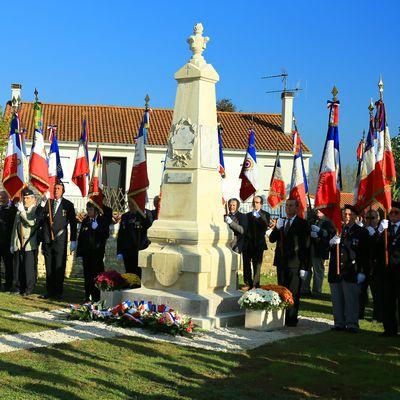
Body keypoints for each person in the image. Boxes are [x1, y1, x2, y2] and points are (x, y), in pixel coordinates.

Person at [269, 199, 310, 326]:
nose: (287, 208)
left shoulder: (302, 223)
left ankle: (291, 319)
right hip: (281, 262)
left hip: (295, 263)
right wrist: (277, 228)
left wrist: (304, 266)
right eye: (286, 205)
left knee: (292, 292)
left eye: (291, 205)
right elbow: (271, 239)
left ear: (297, 208)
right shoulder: (282, 222)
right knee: (281, 290)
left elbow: (306, 246)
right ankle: (281, 317)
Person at [328, 204, 369, 333]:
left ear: (355, 216)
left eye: (349, 214)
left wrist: (362, 272)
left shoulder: (361, 232)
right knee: (337, 299)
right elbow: (325, 248)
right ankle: (339, 323)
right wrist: (331, 242)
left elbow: (364, 254)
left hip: (351, 270)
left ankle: (352, 324)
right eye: (344, 214)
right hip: (336, 270)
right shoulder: (336, 229)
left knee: (351, 299)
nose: (346, 216)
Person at [39, 181, 77, 299]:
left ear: (63, 191)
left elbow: (73, 223)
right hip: (47, 239)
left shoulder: (68, 205)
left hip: (60, 239)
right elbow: (39, 218)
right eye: (55, 188)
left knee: (59, 266)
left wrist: (73, 240)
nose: (56, 190)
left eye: (59, 189)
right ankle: (49, 291)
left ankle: (58, 292)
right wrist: (42, 204)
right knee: (49, 266)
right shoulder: (48, 203)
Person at [374, 201, 400, 336]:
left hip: (399, 271)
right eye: (391, 212)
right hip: (386, 271)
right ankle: (389, 329)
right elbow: (373, 246)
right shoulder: (384, 227)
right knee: (387, 301)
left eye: (396, 212)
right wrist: (379, 231)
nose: (393, 215)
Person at [10, 188, 41, 296]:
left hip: (29, 242)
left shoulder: (35, 210)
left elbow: (32, 223)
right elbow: (15, 227)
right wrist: (12, 242)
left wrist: (23, 212)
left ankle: (29, 288)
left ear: (33, 199)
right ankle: (19, 287)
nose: (25, 200)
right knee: (18, 266)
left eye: (28, 198)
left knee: (29, 267)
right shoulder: (20, 210)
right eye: (24, 198)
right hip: (19, 241)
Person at [77, 203, 110, 301]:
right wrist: (79, 252)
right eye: (87, 210)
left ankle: (97, 296)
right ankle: (87, 296)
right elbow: (81, 237)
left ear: (96, 210)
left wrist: (98, 228)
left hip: (97, 253)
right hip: (87, 253)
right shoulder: (86, 221)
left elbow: (106, 234)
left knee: (97, 275)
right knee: (87, 276)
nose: (88, 212)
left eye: (90, 210)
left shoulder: (102, 220)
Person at [302, 209, 335, 296]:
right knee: (307, 269)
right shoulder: (312, 219)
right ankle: (305, 289)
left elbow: (330, 233)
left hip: (320, 249)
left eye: (320, 209)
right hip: (309, 248)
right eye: (317, 209)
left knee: (318, 270)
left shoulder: (328, 221)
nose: (318, 211)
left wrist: (320, 232)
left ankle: (317, 290)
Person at [242, 195, 270, 289]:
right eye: (254, 202)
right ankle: (247, 283)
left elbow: (264, 227)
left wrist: (258, 217)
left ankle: (255, 284)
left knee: (257, 265)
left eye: (257, 202)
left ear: (261, 204)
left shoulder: (265, 214)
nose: (255, 204)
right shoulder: (248, 215)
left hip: (259, 243)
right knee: (246, 263)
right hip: (248, 244)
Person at [117, 208, 153, 278]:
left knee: (140, 276)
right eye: (129, 202)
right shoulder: (125, 216)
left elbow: (149, 226)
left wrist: (143, 213)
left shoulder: (147, 214)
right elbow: (121, 235)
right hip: (128, 252)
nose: (131, 205)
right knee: (129, 276)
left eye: (132, 202)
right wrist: (119, 251)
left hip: (141, 251)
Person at [364, 209, 381, 321]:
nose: (370, 221)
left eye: (373, 218)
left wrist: (375, 233)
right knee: (361, 293)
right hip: (363, 266)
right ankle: (360, 313)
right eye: (368, 218)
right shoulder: (361, 231)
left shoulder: (382, 232)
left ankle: (377, 316)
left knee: (377, 294)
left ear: (378, 219)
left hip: (376, 267)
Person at [0, 191, 17, 291]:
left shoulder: (13, 209)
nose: (1, 199)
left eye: (2, 197)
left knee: (8, 264)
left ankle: (8, 284)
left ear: (7, 197)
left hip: (7, 241)